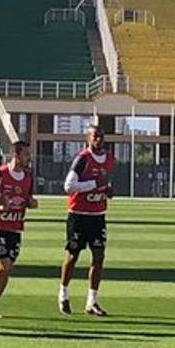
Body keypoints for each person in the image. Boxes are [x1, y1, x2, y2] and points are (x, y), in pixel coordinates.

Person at [59, 123, 115, 316]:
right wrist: (93, 184)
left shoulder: (109, 158)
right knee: (73, 256)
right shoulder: (82, 159)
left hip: (98, 215)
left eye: (101, 136)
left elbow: (105, 181)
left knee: (99, 256)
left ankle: (92, 301)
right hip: (79, 215)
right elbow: (69, 186)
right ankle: (63, 293)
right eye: (95, 136)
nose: (98, 140)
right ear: (88, 138)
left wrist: (108, 189)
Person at [0, 139, 37, 319]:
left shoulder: (28, 176)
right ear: (16, 155)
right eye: (26, 154)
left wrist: (31, 202)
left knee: (7, 268)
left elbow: (28, 198)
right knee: (3, 265)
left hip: (16, 226)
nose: (29, 157)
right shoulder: (0, 174)